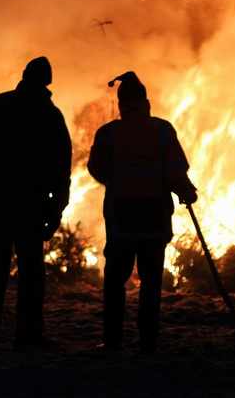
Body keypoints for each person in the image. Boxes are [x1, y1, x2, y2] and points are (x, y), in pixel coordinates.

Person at [0, 56, 71, 349]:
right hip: (30, 204)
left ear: (24, 75)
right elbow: (62, 169)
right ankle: (28, 334)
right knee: (31, 272)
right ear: (47, 82)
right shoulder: (50, 115)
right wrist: (57, 209)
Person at [88, 71, 197, 353]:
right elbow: (176, 170)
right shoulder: (162, 130)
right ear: (146, 103)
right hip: (154, 217)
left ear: (121, 105)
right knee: (150, 281)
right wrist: (185, 190)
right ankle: (148, 341)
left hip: (122, 217)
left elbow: (96, 169)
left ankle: (113, 341)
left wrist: (118, 178)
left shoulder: (109, 133)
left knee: (115, 280)